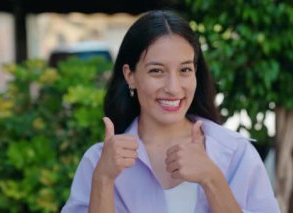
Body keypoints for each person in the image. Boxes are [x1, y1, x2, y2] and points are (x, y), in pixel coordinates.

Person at [61, 10, 280, 213]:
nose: (173, 88)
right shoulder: (98, 162)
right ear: (130, 76)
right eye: (156, 71)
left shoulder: (236, 153)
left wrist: (211, 178)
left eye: (185, 70)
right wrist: (104, 180)